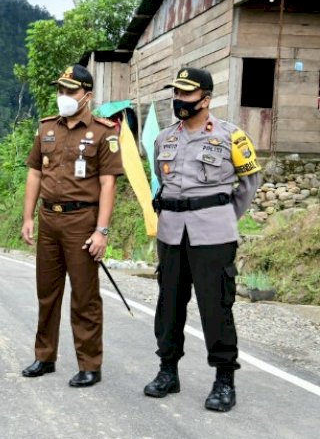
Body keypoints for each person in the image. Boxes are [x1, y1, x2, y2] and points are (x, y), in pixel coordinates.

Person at [143, 67, 262, 412]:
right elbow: (161, 180)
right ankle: (168, 371)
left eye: (186, 93)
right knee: (169, 305)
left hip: (214, 235)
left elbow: (249, 183)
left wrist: (222, 216)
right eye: (176, 93)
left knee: (216, 306)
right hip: (171, 233)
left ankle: (224, 380)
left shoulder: (231, 136)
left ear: (205, 99)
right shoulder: (164, 138)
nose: (179, 99)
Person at [20, 64, 124, 388]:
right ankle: (44, 356)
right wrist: (28, 217)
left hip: (82, 221)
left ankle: (90, 364)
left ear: (87, 95)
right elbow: (35, 173)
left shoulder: (104, 132)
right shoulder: (46, 128)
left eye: (70, 90)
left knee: (85, 297)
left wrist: (101, 231)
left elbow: (108, 184)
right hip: (49, 219)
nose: (63, 95)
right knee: (47, 294)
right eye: (60, 89)